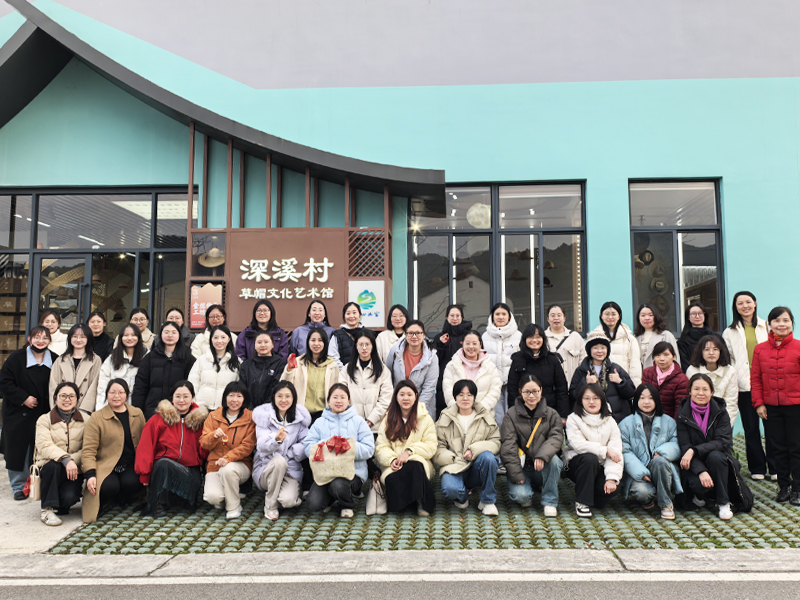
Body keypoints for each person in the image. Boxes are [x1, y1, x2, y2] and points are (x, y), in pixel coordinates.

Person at [676, 373, 753, 520]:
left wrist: (694, 450)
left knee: (716, 456)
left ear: (711, 392)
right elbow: (684, 445)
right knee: (698, 484)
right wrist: (701, 471)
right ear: (690, 391)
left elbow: (722, 441)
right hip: (695, 463)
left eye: (705, 389)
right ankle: (701, 495)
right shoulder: (682, 414)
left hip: (718, 459)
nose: (700, 393)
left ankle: (723, 502)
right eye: (696, 389)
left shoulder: (720, 412)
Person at [135, 381, 209, 517]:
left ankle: (179, 500)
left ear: (192, 398)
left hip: (189, 472)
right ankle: (158, 505)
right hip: (162, 472)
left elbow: (205, 452)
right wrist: (144, 474)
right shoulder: (158, 419)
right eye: (178, 396)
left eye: (186, 396)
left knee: (166, 466)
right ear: (172, 398)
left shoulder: (201, 421)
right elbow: (146, 447)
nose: (182, 400)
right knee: (163, 463)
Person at [722, 291, 774, 481]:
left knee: (772, 427)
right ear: (735, 307)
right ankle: (757, 467)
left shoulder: (766, 326)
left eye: (748, 302)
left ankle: (775, 467)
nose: (745, 306)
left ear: (755, 303)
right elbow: (728, 359)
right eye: (740, 303)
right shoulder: (729, 332)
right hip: (744, 386)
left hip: (768, 384)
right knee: (751, 428)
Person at [0, 326, 56, 500]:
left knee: (40, 449)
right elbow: (4, 382)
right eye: (37, 337)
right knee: (18, 450)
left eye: (45, 338)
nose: (41, 341)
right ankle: (19, 486)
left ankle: (37, 483)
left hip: (43, 412)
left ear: (49, 341)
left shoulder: (55, 359)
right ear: (30, 339)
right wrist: (23, 398)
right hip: (18, 412)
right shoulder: (16, 358)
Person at [751, 306, 800, 505]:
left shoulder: (798, 346)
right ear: (769, 324)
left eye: (786, 320)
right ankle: (784, 487)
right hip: (771, 407)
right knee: (777, 448)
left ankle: (797, 489)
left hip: (796, 406)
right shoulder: (760, 349)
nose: (781, 324)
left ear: (791, 324)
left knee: (796, 448)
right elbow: (755, 379)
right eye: (777, 320)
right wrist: (759, 404)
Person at [303, 384, 374, 518]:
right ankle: (331, 498)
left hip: (353, 473)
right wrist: (326, 446)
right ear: (328, 401)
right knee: (313, 503)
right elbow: (308, 447)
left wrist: (347, 447)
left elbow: (369, 449)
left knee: (338, 485)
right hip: (325, 473)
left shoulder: (359, 421)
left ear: (349, 400)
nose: (339, 401)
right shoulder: (319, 422)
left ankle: (346, 505)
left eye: (342, 397)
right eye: (335, 397)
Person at [81, 379, 146, 523]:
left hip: (130, 464)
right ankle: (107, 500)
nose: (116, 396)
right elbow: (88, 450)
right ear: (106, 395)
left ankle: (124, 497)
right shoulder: (96, 417)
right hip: (106, 465)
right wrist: (90, 474)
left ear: (127, 394)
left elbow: (145, 443)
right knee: (109, 486)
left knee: (132, 482)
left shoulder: (137, 413)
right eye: (112, 392)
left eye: (121, 392)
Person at [435, 379, 501, 515]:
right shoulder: (445, 418)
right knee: (450, 489)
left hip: (477, 465)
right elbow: (438, 446)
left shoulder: (484, 416)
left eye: (469, 395)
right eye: (461, 394)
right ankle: (462, 496)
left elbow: (495, 441)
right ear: (455, 397)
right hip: (454, 465)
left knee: (489, 458)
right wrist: (452, 458)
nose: (465, 398)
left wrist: (474, 450)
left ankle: (488, 501)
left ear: (474, 397)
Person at [501, 374, 563, 516]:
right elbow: (508, 446)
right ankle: (529, 487)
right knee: (522, 497)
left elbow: (556, 438)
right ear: (520, 392)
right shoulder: (511, 414)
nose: (531, 396)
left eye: (535, 391)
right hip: (521, 466)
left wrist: (541, 456)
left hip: (542, 465)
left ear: (541, 390)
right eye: (527, 392)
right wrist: (516, 475)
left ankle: (549, 501)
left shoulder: (551, 414)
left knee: (555, 461)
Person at [619, 384, 682, 519]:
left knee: (660, 461)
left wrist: (661, 452)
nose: (646, 402)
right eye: (642, 398)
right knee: (643, 493)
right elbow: (624, 451)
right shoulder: (625, 424)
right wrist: (640, 472)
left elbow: (677, 444)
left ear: (657, 400)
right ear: (636, 400)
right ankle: (647, 499)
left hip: (662, 468)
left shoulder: (669, 422)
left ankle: (666, 504)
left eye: (651, 398)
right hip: (638, 470)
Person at [375, 380, 438, 516]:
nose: (406, 398)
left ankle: (423, 503)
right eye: (402, 394)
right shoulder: (388, 419)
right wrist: (392, 460)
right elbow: (381, 446)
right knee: (394, 479)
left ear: (416, 396)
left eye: (409, 394)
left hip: (418, 462)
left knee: (415, 466)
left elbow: (431, 446)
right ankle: (409, 500)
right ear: (396, 397)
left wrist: (409, 452)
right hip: (394, 465)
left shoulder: (425, 418)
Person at [563, 383, 624, 518]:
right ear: (581, 400)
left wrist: (611, 478)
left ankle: (592, 497)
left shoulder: (610, 421)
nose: (591, 402)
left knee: (616, 485)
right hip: (578, 463)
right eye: (587, 398)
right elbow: (578, 445)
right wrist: (605, 450)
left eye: (596, 398)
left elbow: (616, 452)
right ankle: (582, 502)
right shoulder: (573, 418)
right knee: (589, 458)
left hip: (601, 465)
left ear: (602, 400)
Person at [252, 381, 311, 520]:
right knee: (279, 461)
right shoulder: (264, 417)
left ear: (293, 398)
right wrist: (276, 440)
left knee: (289, 501)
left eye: (287, 396)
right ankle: (270, 506)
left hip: (290, 470)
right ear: (273, 397)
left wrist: (291, 453)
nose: (283, 400)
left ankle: (279, 493)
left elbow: (307, 443)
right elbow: (261, 444)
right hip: (267, 468)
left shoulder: (300, 419)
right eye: (279, 396)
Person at [200, 381, 256, 519]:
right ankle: (226, 495)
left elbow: (248, 446)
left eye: (239, 396)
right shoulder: (213, 416)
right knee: (213, 497)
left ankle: (234, 507)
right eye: (231, 395)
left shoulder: (250, 418)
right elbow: (204, 443)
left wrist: (228, 458)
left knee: (228, 470)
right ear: (225, 397)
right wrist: (213, 436)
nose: (234, 400)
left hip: (240, 465)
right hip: (215, 464)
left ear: (244, 399)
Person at [34, 382, 86, 526]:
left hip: (74, 470)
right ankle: (46, 510)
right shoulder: (44, 420)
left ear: (77, 399)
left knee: (69, 498)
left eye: (71, 396)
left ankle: (58, 504)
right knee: (52, 466)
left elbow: (88, 448)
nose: (67, 399)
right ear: (55, 398)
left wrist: (72, 461)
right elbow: (44, 445)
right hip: (50, 467)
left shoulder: (86, 419)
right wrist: (65, 459)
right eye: (63, 396)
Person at [131, 321, 196, 420]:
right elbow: (140, 387)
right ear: (160, 335)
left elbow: (193, 386)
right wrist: (137, 412)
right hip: (153, 411)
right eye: (166, 332)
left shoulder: (188, 358)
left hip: (180, 412)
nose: (170, 335)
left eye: (174, 332)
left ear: (179, 335)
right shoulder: (150, 358)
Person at [508, 323, 570, 422]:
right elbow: (512, 389)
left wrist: (563, 415)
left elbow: (562, 389)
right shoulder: (518, 360)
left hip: (549, 410)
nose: (534, 340)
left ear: (543, 339)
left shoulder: (552, 359)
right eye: (530, 337)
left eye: (538, 337)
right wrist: (514, 414)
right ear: (524, 340)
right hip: (524, 412)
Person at [570, 337, 635, 423]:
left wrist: (620, 382)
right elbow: (573, 396)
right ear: (589, 351)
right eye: (595, 348)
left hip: (617, 419)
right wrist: (585, 383)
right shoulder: (581, 370)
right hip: (589, 420)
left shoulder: (616, 369)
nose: (599, 351)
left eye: (603, 347)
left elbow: (631, 394)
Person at [341, 330, 393, 433]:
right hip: (351, 426)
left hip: (376, 428)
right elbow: (341, 395)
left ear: (373, 346)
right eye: (361, 344)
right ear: (356, 346)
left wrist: (371, 420)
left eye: (367, 344)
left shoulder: (383, 370)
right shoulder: (347, 369)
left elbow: (386, 399)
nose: (364, 348)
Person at [281, 329, 339, 421]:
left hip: (324, 415)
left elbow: (337, 390)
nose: (316, 344)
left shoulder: (332, 365)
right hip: (300, 413)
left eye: (320, 340)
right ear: (308, 342)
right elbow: (284, 385)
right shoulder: (298, 362)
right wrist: (289, 370)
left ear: (325, 343)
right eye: (313, 340)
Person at [385, 320, 439, 418]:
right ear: (405, 335)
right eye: (410, 333)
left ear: (424, 335)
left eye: (418, 333)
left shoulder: (432, 356)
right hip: (397, 406)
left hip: (422, 408)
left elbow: (429, 387)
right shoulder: (395, 351)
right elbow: (387, 376)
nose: (414, 336)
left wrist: (415, 410)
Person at [442, 330, 503, 414]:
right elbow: (448, 390)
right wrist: (460, 410)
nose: (471, 347)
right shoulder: (452, 365)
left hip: (483, 415)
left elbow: (495, 390)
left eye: (474, 343)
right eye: (467, 343)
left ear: (480, 344)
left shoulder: (490, 366)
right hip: (458, 414)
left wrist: (480, 409)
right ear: (462, 344)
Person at [482, 302, 522, 426]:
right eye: (497, 314)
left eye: (504, 314)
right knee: (496, 415)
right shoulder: (485, 336)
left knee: (513, 413)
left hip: (513, 382)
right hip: (493, 381)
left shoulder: (518, 335)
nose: (500, 317)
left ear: (509, 316)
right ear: (492, 316)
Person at [48, 324, 102, 415]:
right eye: (75, 336)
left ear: (88, 339)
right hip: (62, 410)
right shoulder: (60, 360)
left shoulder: (95, 360)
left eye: (82, 337)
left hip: (85, 411)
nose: (78, 340)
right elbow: (53, 386)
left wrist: (84, 410)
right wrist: (57, 408)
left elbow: (94, 387)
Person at [686, 335, 738, 425]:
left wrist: (724, 426)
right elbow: (691, 400)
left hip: (723, 421)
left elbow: (731, 403)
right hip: (698, 421)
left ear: (720, 351)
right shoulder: (692, 370)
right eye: (706, 349)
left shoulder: (730, 371)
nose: (711, 353)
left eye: (715, 349)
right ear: (701, 352)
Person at [188, 325, 240, 411]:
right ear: (211, 339)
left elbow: (239, 388)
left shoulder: (237, 362)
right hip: (201, 409)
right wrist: (194, 403)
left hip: (225, 410)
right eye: (215, 337)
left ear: (229, 339)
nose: (219, 341)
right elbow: (193, 383)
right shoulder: (201, 360)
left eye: (223, 337)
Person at [433, 305, 473, 416]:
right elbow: (435, 361)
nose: (455, 318)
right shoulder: (440, 337)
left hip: (465, 379)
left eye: (457, 316)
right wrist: (440, 345)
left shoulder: (469, 336)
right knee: (444, 414)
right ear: (447, 317)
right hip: (443, 381)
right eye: (452, 316)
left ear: (462, 317)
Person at [590, 301, 642, 386]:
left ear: (619, 316)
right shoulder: (594, 337)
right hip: (600, 385)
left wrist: (634, 387)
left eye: (613, 314)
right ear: (601, 316)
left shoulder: (629, 338)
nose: (610, 317)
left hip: (622, 383)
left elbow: (635, 365)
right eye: (607, 314)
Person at [97, 324, 147, 407]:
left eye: (133, 335)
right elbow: (103, 385)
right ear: (121, 338)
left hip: (138, 407)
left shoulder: (147, 357)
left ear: (139, 337)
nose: (129, 338)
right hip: (114, 406)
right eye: (126, 335)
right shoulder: (113, 357)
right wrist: (101, 408)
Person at [641, 342, 689, 419]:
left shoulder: (682, 379)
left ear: (673, 356)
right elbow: (642, 397)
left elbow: (679, 407)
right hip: (648, 418)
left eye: (666, 355)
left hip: (669, 420)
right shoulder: (647, 373)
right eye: (658, 355)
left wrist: (673, 424)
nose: (661, 359)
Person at [239, 331, 287, 409]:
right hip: (248, 410)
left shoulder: (280, 364)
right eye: (259, 342)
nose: (262, 345)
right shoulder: (246, 365)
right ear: (254, 345)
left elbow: (277, 388)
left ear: (272, 345)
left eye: (266, 342)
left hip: (271, 409)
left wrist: (264, 408)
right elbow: (242, 388)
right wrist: (250, 408)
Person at [545, 304, 586, 385]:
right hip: (551, 386)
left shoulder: (575, 337)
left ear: (564, 318)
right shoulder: (542, 338)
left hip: (574, 385)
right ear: (548, 319)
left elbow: (584, 362)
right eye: (552, 315)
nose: (556, 318)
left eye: (559, 315)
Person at [634, 303, 678, 369]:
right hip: (641, 374)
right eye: (643, 315)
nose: (647, 318)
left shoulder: (666, 335)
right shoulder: (635, 337)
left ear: (656, 316)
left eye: (650, 315)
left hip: (661, 373)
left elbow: (675, 360)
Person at [677, 302, 715, 372]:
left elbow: (724, 359)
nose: (697, 316)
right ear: (688, 317)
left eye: (700, 313)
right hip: (693, 376)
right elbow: (684, 365)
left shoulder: (716, 338)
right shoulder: (682, 342)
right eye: (694, 314)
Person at [329, 302, 365, 372]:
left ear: (360, 315)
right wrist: (345, 372)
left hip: (365, 374)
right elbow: (332, 357)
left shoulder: (366, 334)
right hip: (343, 374)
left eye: (354, 313)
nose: (351, 316)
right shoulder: (337, 335)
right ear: (344, 316)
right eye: (348, 313)